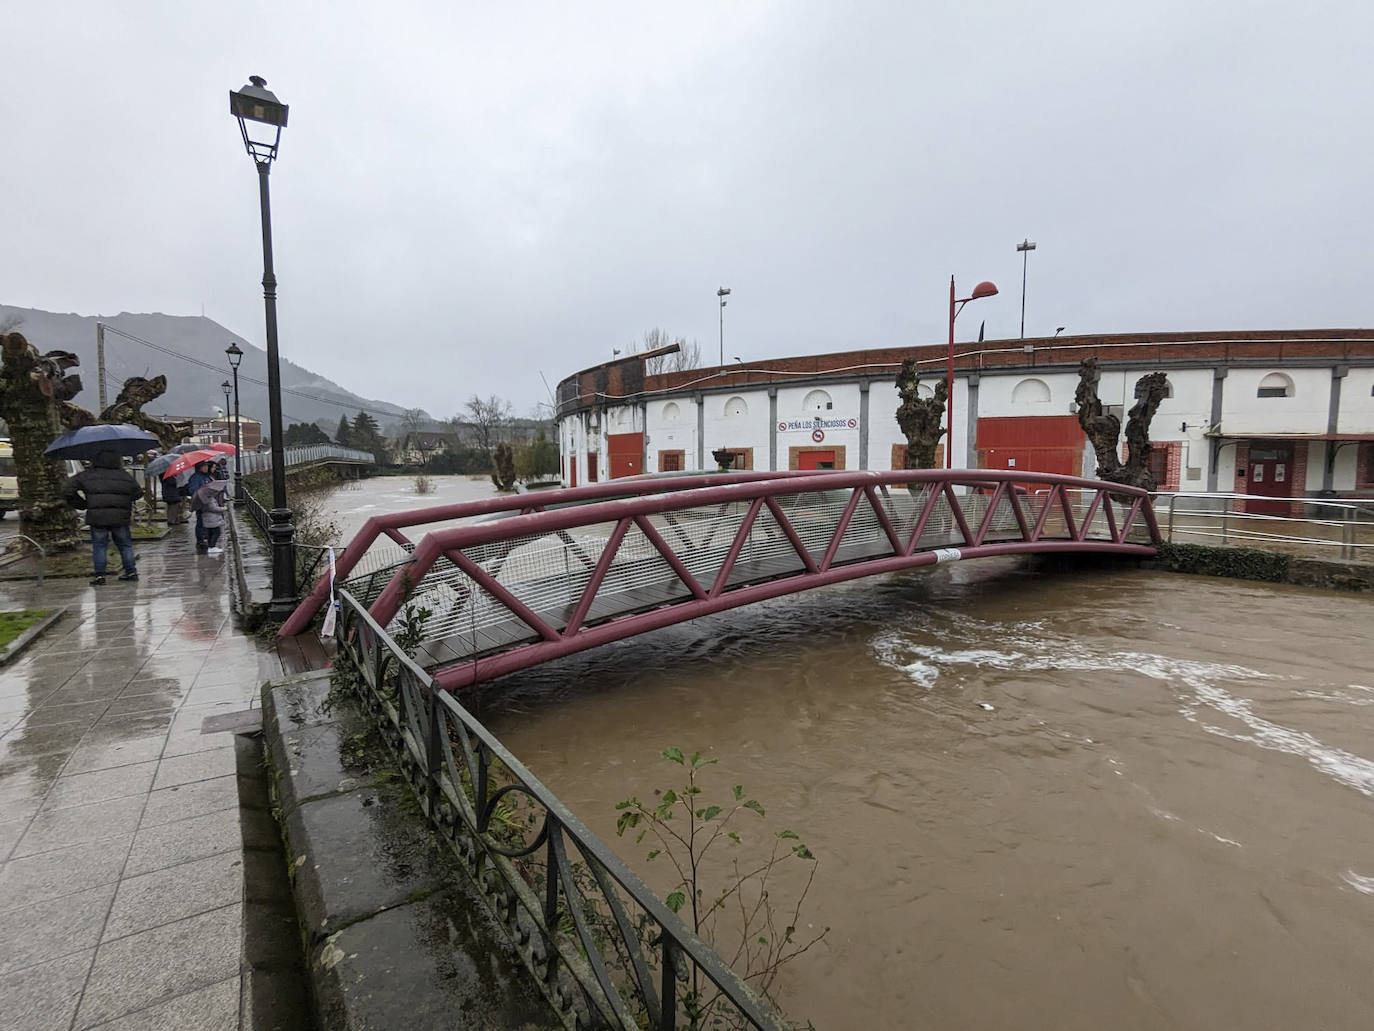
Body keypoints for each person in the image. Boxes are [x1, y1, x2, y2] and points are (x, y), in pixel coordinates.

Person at [63, 450, 141, 586]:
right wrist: (124, 500)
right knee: (125, 545)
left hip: (97, 516)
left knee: (99, 546)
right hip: (120, 516)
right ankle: (131, 572)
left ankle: (100, 575)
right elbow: (138, 493)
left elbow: (67, 490)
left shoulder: (86, 476)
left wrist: (82, 504)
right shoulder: (125, 476)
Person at [195, 475, 230, 555]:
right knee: (216, 532)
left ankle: (211, 546)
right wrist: (223, 508)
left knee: (211, 533)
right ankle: (212, 547)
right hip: (211, 519)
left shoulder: (206, 498)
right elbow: (213, 508)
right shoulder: (208, 499)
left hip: (209, 519)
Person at [187, 461, 214, 551]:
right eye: (204, 466)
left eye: (207, 466)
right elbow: (193, 490)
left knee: (207, 520)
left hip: (208, 502)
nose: (206, 468)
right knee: (201, 521)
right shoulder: (195, 478)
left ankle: (206, 537)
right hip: (200, 503)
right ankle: (200, 539)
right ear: (199, 467)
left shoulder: (206, 476)